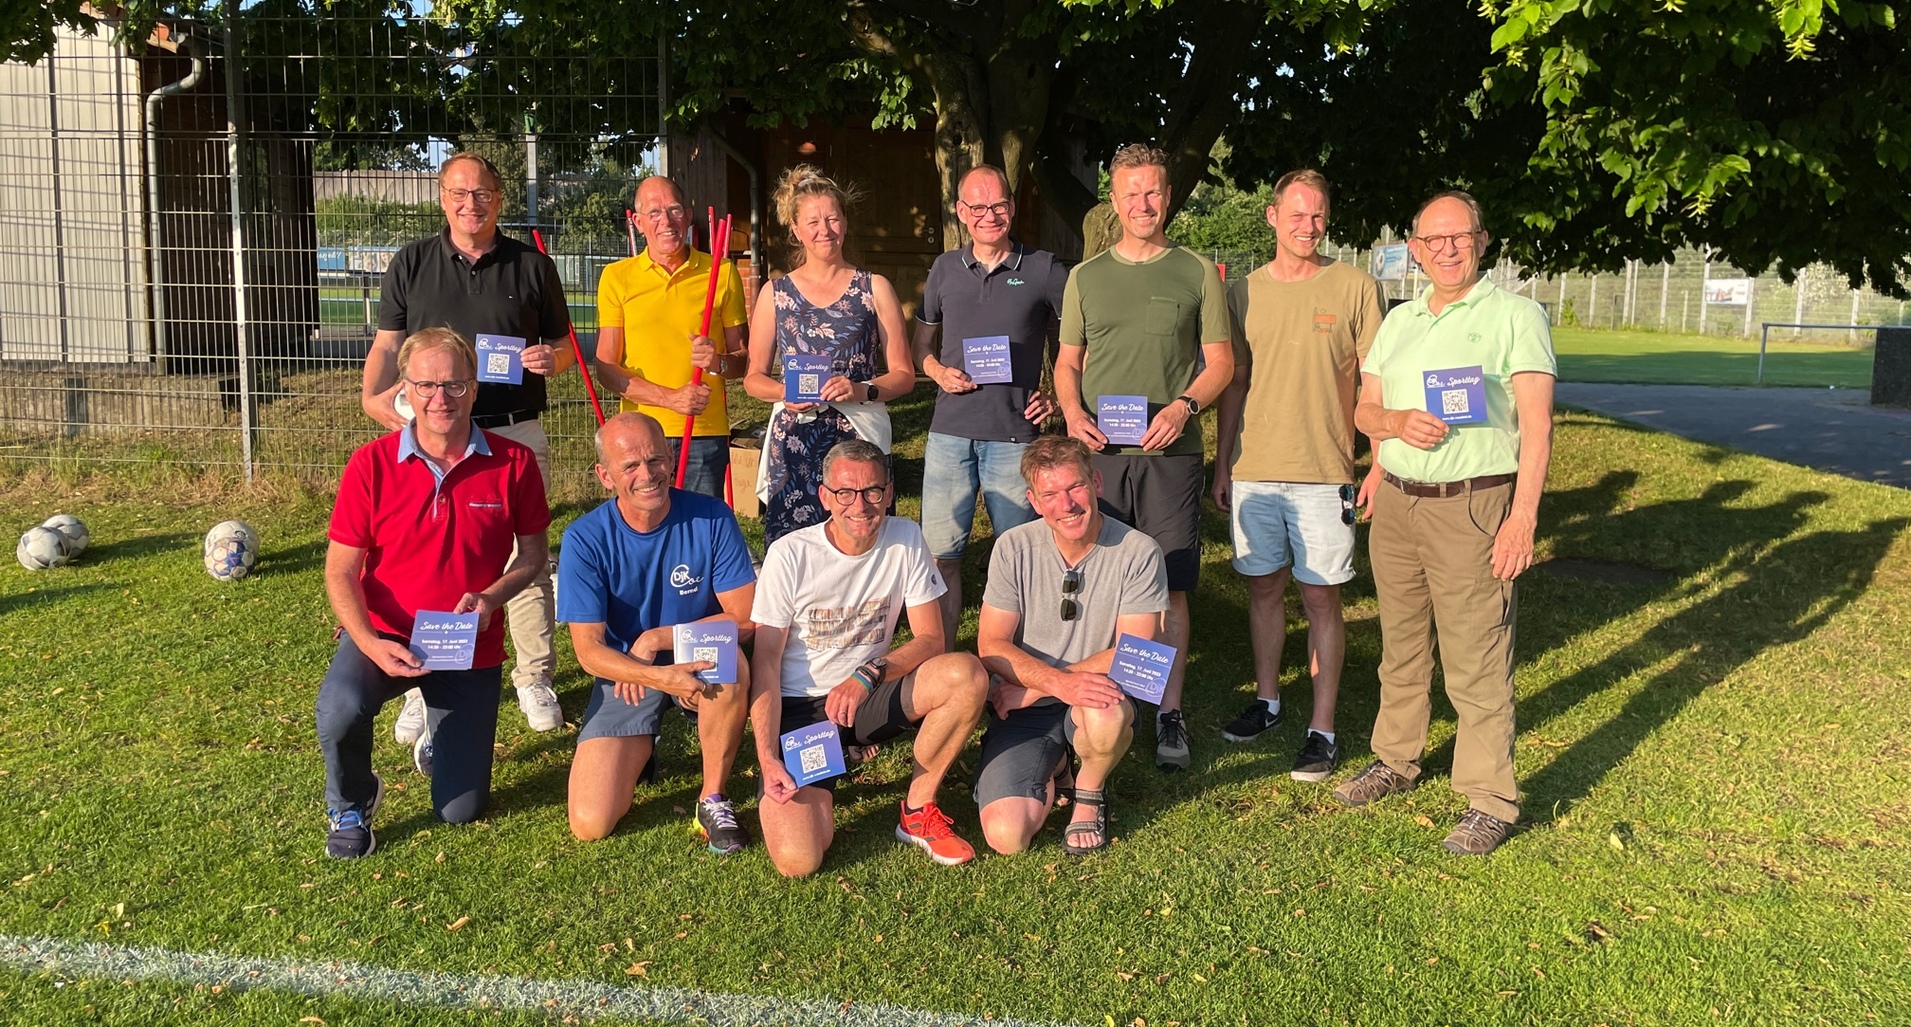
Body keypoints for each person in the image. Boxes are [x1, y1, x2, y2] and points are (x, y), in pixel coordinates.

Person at [1339, 190, 1556, 856]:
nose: (1447, 249)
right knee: (1401, 647)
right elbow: (1364, 410)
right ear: (1414, 249)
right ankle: (1395, 758)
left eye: (1459, 236)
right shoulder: (1399, 321)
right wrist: (1394, 426)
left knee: (1476, 657)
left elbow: (1538, 426)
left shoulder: (1515, 316)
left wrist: (1522, 518)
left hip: (1472, 505)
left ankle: (1489, 798)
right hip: (1398, 504)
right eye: (1433, 240)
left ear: (1482, 241)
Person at [359, 152, 575, 755]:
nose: (470, 204)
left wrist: (551, 360)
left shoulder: (532, 265)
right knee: (425, 557)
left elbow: (563, 345)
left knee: (525, 556)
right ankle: (418, 682)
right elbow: (387, 346)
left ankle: (533, 676)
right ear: (442, 198)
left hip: (512, 434)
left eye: (481, 193)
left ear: (499, 199)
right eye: (458, 193)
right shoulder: (412, 262)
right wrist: (371, 397)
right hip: (431, 436)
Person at [318, 327, 551, 858]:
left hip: (467, 644)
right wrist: (371, 643)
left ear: (474, 387)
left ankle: (439, 739)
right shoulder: (370, 464)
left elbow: (533, 557)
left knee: (459, 810)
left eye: (454, 384)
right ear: (405, 388)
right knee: (340, 707)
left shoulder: (514, 463)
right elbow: (339, 572)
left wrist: (491, 598)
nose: (439, 398)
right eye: (425, 385)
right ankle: (352, 801)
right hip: (386, 635)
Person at [1054, 143, 1234, 773]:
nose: (1142, 203)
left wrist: (1184, 407)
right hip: (1101, 456)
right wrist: (1072, 413)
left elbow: (1221, 365)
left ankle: (1168, 709)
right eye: (1131, 193)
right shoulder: (1085, 277)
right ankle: (1104, 702)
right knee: (1099, 578)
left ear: (1168, 196)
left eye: (1153, 191)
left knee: (1170, 587)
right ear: (1114, 199)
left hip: (1170, 456)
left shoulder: (1196, 272)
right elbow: (1067, 363)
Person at [1210, 170, 1384, 782]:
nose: (1308, 227)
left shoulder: (1357, 287)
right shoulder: (1243, 292)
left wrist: (1378, 463)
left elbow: (1375, 383)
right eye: (1297, 214)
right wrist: (1223, 462)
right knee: (1263, 589)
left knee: (1320, 598)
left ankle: (1323, 727)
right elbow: (1234, 382)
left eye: (1318, 216)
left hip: (1324, 471)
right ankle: (1268, 701)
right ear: (1272, 216)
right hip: (1255, 470)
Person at [748, 440, 990, 876]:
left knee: (965, 673)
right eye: (845, 493)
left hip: (867, 695)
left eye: (872, 491)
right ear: (825, 496)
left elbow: (932, 639)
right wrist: (767, 756)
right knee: (799, 860)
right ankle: (820, 768)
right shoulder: (789, 554)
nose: (860, 506)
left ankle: (917, 809)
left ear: (890, 492)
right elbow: (764, 664)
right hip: (804, 712)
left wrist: (869, 674)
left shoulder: (906, 536)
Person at [556, 413, 757, 852]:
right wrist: (658, 676)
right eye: (629, 466)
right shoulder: (583, 538)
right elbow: (588, 651)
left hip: (692, 655)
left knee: (732, 664)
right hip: (629, 672)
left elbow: (745, 619)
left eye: (654, 460)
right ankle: (643, 745)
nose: (647, 475)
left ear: (670, 456)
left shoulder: (711, 516)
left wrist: (657, 639)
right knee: (591, 822)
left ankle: (712, 797)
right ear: (605, 476)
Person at [974, 436, 1167, 855]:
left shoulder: (1139, 551)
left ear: (1096, 482)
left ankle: (1089, 793)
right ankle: (1059, 763)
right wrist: (1055, 686)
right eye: (1050, 495)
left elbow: (1135, 652)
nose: (1067, 505)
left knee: (1105, 713)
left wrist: (1044, 686)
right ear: (1033, 500)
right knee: (1007, 837)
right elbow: (991, 643)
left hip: (1092, 692)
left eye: (1075, 487)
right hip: (1027, 701)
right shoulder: (1013, 547)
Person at [913, 164, 1068, 645]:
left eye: (998, 205)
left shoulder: (1044, 269)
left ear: (1012, 207)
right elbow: (921, 345)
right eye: (977, 207)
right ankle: (941, 661)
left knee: (1019, 558)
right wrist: (936, 371)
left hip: (1014, 434)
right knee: (940, 557)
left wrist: (1059, 397)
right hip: (950, 432)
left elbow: (1077, 343)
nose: (989, 215)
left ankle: (1015, 662)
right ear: (961, 212)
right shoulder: (944, 268)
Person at [742, 166, 914, 545]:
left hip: (859, 438)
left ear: (845, 223)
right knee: (796, 546)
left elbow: (904, 374)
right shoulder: (775, 293)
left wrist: (861, 389)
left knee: (863, 542)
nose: (825, 230)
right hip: (796, 441)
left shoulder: (875, 288)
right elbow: (753, 378)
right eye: (813, 222)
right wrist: (784, 393)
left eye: (833, 219)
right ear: (795, 229)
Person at [594, 175, 749, 499]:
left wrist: (718, 362)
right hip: (639, 435)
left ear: (688, 216)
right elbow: (606, 369)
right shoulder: (616, 277)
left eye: (674, 210)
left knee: (697, 525)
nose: (666, 221)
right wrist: (671, 398)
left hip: (703, 433)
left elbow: (743, 361)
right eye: (654, 212)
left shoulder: (721, 272)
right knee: (644, 524)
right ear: (638, 223)